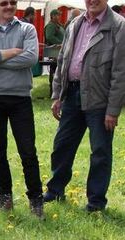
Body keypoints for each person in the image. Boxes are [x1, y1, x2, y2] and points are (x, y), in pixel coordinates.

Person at [44, 0, 125, 212]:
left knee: (100, 151)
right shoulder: (75, 23)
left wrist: (113, 110)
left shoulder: (118, 26)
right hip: (71, 94)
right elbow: (62, 61)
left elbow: (120, 72)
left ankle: (96, 202)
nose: (92, 0)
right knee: (62, 146)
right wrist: (57, 95)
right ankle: (55, 191)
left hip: (100, 100)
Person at [0, 0, 44, 217]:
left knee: (28, 150)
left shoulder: (27, 28)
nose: (8, 6)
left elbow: (31, 58)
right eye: (3, 3)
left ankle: (36, 199)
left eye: (12, 2)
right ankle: (4, 197)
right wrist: (12, 52)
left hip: (20, 97)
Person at [43, 9, 64, 96]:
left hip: (60, 50)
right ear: (52, 16)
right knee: (55, 71)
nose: (59, 17)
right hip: (54, 51)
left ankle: (60, 89)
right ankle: (54, 90)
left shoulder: (58, 25)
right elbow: (49, 37)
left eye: (59, 15)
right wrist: (60, 43)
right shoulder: (51, 26)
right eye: (57, 15)